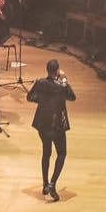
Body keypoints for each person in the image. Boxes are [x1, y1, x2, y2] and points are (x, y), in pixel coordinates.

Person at [26, 58, 76, 200]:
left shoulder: (40, 83)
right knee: (61, 153)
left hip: (42, 124)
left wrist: (42, 101)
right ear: (57, 71)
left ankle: (44, 184)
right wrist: (64, 79)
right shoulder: (62, 86)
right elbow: (72, 97)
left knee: (46, 153)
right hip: (57, 125)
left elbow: (30, 97)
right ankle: (53, 183)